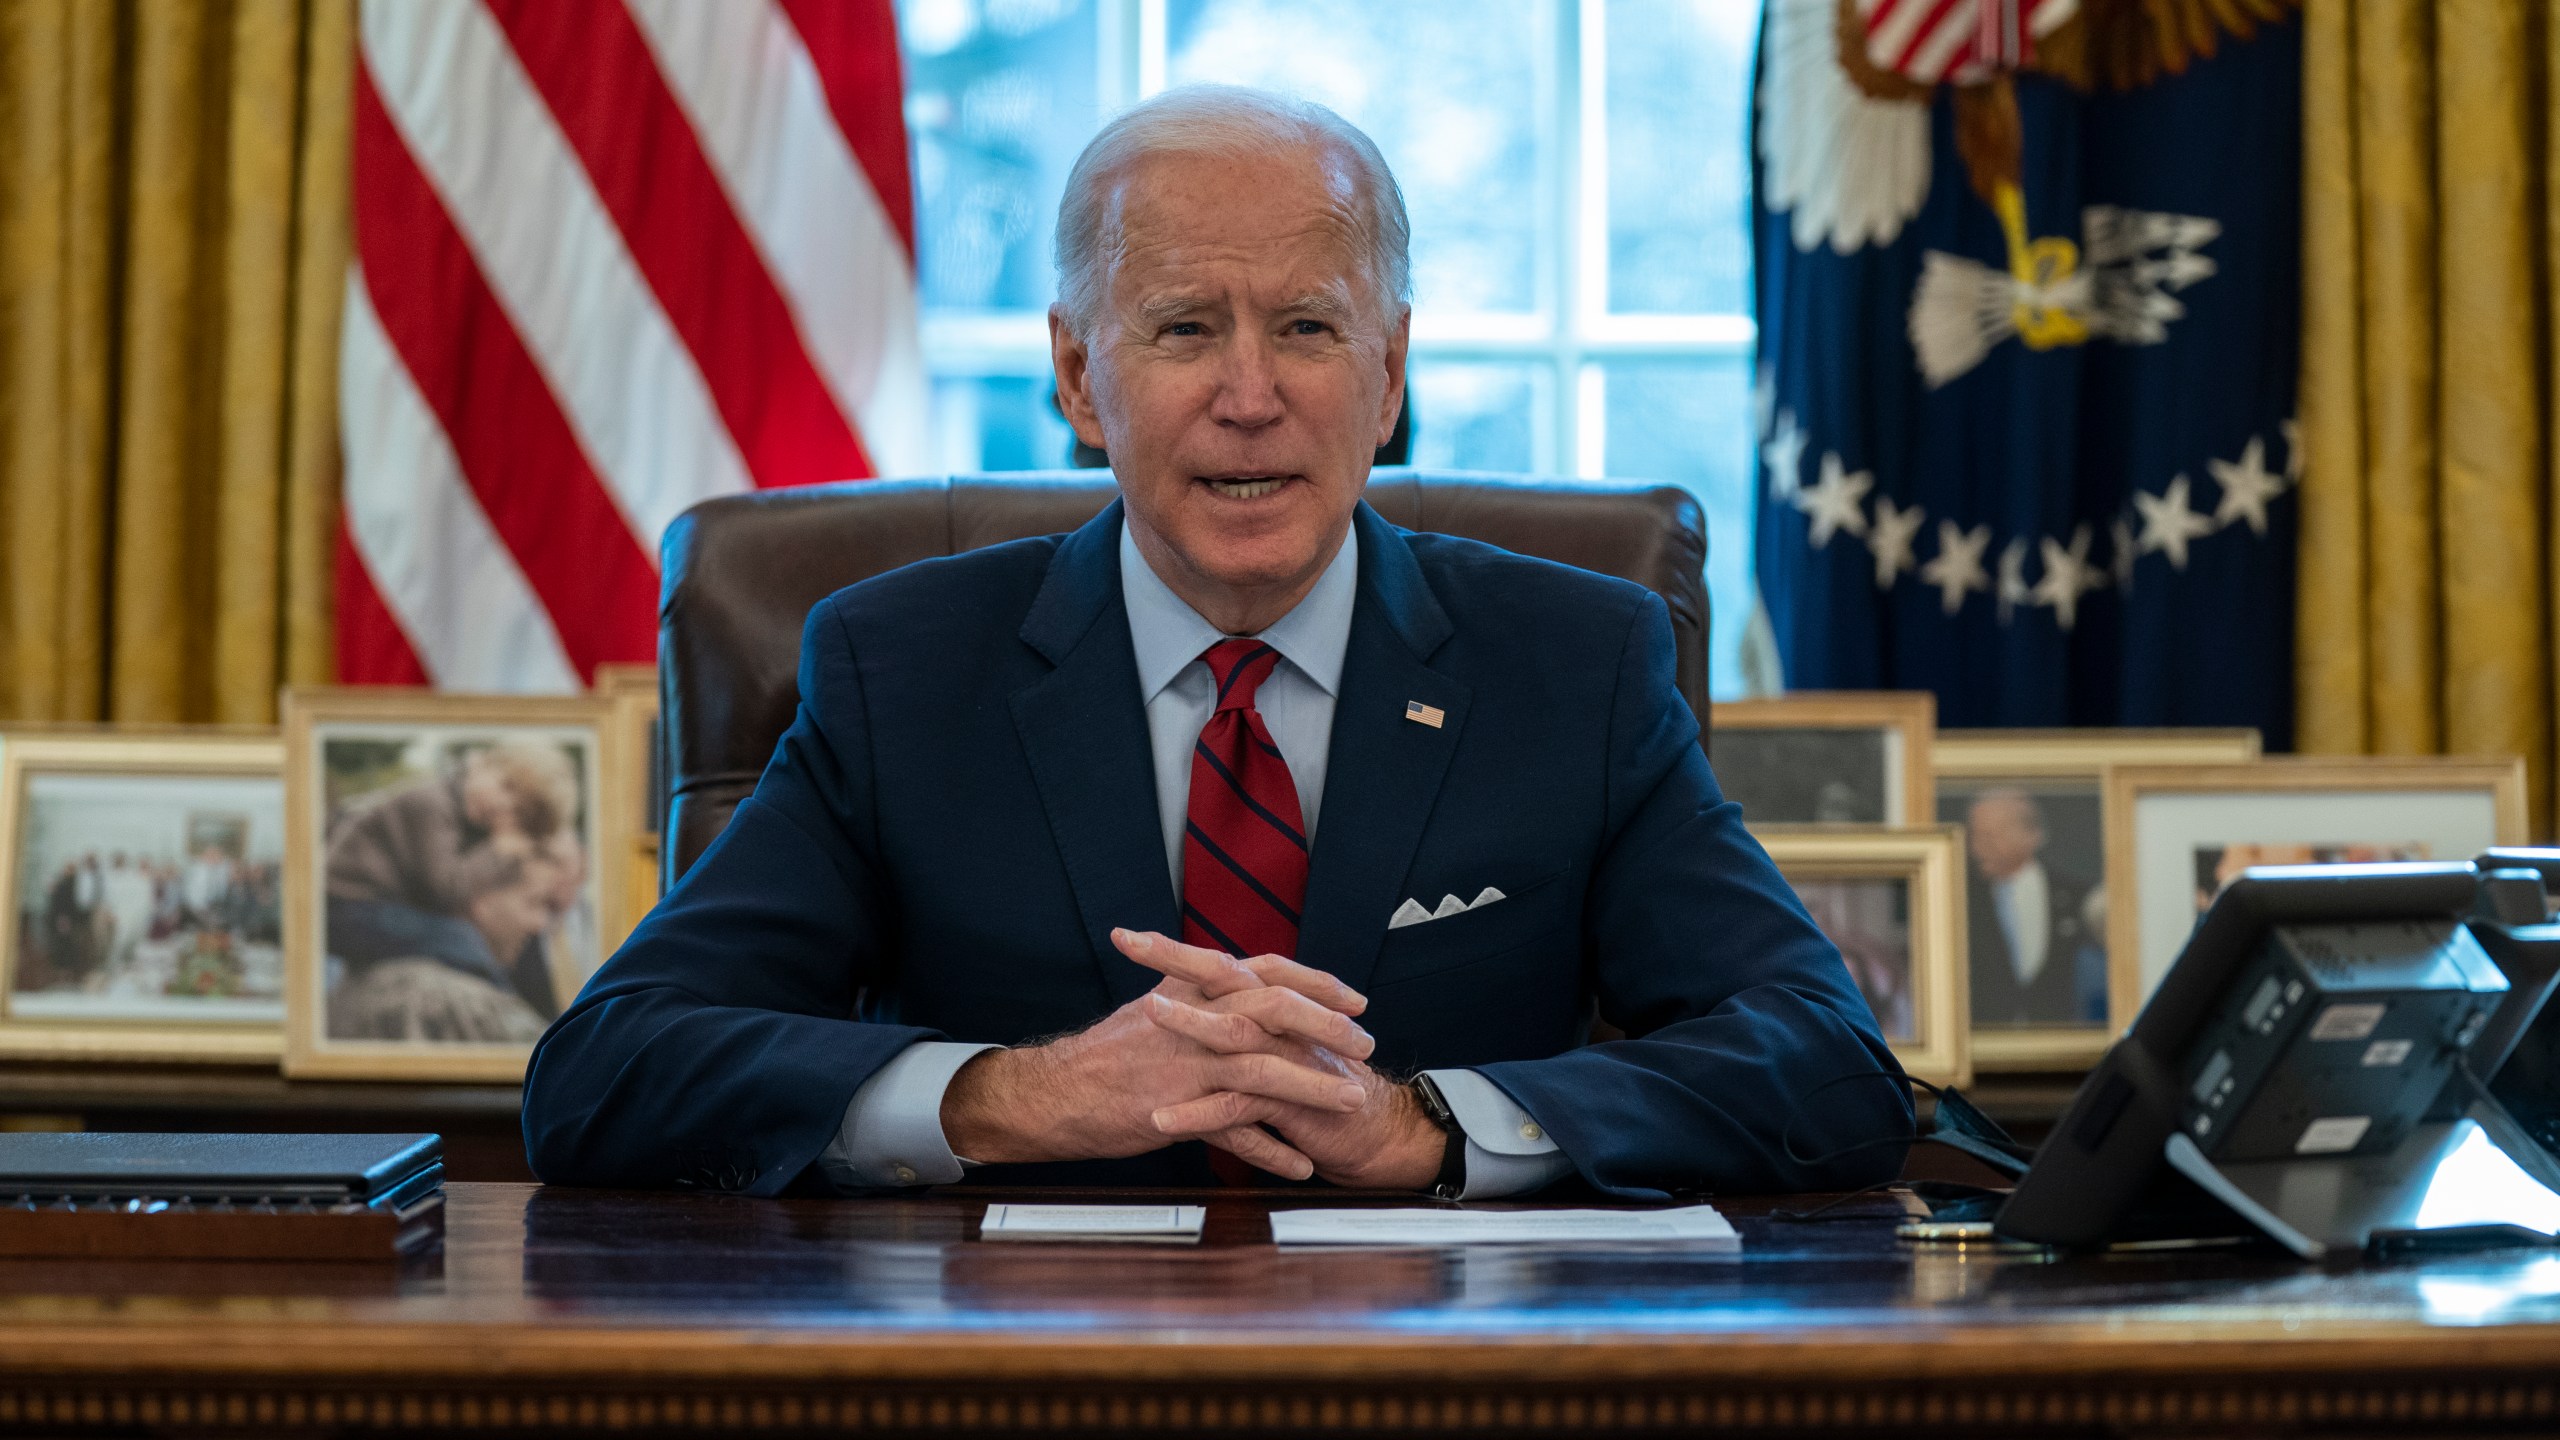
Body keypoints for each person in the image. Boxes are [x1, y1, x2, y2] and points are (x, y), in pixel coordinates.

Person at [522, 85, 1909, 1200]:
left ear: (1389, 375)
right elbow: (608, 1070)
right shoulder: (904, 671)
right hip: (1016, 1380)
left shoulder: (1578, 664)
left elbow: (1827, 1066)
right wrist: (1018, 1093)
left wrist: (1430, 1127)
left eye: (1308, 326)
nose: (1251, 397)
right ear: (1078, 376)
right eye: (1185, 327)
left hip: (1446, 1380)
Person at [1963, 789, 2105, 1026]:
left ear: (2032, 835)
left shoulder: (2079, 896)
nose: (1977, 849)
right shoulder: (1962, 899)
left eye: (1989, 837)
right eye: (1974, 838)